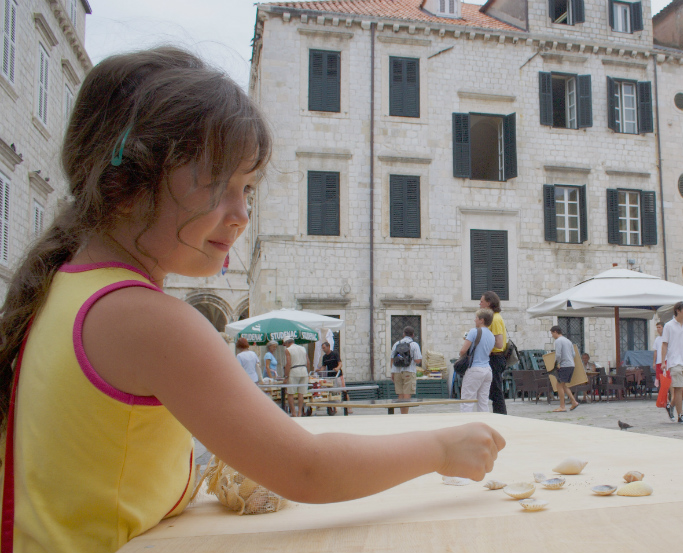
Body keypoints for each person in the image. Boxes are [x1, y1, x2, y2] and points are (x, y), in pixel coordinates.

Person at [0, 47, 504, 552]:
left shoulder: (64, 286)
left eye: (248, 190)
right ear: (128, 180)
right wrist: (441, 447)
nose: (241, 213)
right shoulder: (147, 319)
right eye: (220, 183)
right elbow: (308, 469)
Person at [459, 309, 497, 412]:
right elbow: (488, 352)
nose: (474, 320)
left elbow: (463, 350)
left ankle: (466, 425)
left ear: (482, 320)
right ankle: (483, 423)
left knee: (467, 400)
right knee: (483, 401)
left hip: (475, 369)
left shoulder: (474, 331)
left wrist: (461, 355)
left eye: (476, 318)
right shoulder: (492, 336)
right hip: (487, 370)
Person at [480, 291, 508, 415]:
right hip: (494, 358)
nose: (479, 303)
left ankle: (501, 415)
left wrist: (484, 347)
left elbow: (499, 343)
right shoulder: (493, 318)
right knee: (493, 390)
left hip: (496, 358)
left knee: (496, 390)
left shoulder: (495, 319)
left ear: (489, 303)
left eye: (482, 301)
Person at [389, 326, 422, 414]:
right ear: (413, 335)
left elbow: (392, 358)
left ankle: (401, 413)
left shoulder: (396, 344)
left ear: (403, 334)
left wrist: (392, 372)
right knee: (407, 392)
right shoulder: (414, 344)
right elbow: (417, 360)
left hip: (396, 371)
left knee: (400, 393)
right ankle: (405, 414)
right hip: (409, 370)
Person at [550, 326, 581, 413]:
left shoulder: (558, 341)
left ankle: (562, 406)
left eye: (552, 333)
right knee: (563, 385)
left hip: (564, 365)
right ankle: (574, 402)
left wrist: (557, 363)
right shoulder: (568, 341)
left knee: (559, 385)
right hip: (571, 364)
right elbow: (573, 354)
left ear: (555, 332)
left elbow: (558, 354)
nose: (552, 335)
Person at [320, 341, 350, 415]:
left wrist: (337, 368)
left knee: (344, 390)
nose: (323, 349)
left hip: (338, 375)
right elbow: (324, 366)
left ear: (328, 347)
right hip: (330, 376)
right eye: (322, 348)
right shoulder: (324, 357)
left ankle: (349, 407)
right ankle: (334, 408)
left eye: (324, 348)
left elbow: (340, 363)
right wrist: (320, 370)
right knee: (331, 392)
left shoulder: (335, 354)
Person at [284, 338, 311, 417]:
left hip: (294, 370)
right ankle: (299, 412)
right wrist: (308, 373)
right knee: (301, 393)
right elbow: (308, 362)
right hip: (304, 370)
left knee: (290, 393)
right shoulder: (303, 348)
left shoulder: (288, 350)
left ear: (287, 343)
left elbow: (288, 364)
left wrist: (286, 376)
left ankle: (293, 413)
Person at [652, 320, 672, 413]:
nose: (658, 329)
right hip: (659, 362)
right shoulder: (657, 339)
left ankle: (670, 398)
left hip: (666, 361)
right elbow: (655, 351)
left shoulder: (667, 338)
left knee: (667, 380)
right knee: (660, 381)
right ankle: (664, 399)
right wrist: (654, 362)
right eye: (657, 327)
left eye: (659, 327)